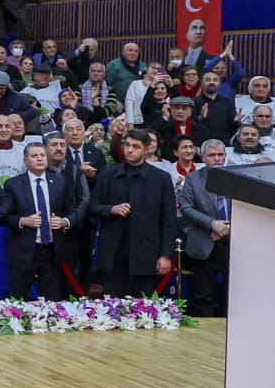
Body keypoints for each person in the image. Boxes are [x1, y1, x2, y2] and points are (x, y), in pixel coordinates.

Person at [89, 131, 180, 298]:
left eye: (136, 146)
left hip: (146, 254)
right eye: (127, 145)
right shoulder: (108, 175)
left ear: (147, 150)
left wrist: (166, 255)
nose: (130, 150)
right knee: (112, 305)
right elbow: (92, 206)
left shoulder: (161, 178)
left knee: (142, 306)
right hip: (113, 254)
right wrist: (111, 209)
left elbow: (169, 220)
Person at [0, 141, 77, 301]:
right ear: (25, 161)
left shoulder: (59, 182)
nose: (40, 159)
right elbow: (3, 216)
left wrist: (64, 221)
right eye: (34, 156)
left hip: (52, 250)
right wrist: (23, 221)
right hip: (24, 250)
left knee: (51, 301)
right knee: (18, 300)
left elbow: (73, 210)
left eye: (42, 155)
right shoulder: (13, 184)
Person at [175, 140, 233, 317]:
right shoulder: (194, 179)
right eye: (212, 155)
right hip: (205, 241)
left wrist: (229, 227)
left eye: (220, 155)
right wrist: (212, 224)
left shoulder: (237, 177)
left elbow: (247, 205)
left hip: (234, 242)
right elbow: (186, 208)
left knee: (232, 294)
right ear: (203, 157)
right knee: (203, 294)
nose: (217, 159)